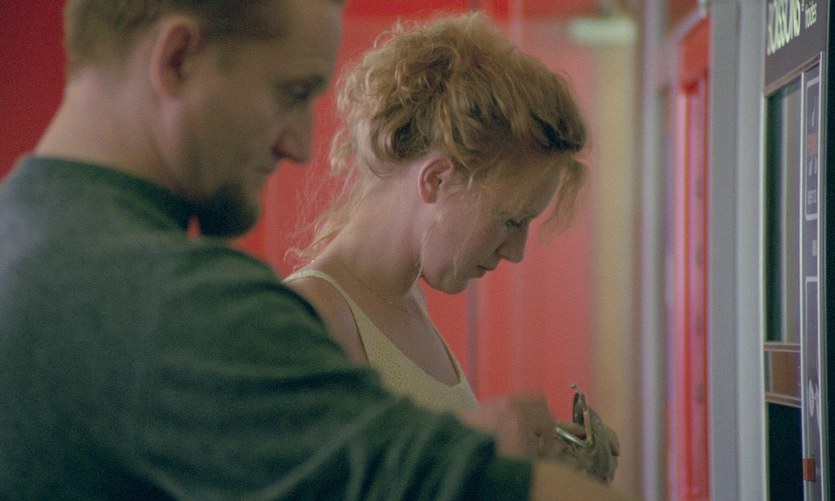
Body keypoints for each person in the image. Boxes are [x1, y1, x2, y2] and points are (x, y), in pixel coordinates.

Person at [0, 1, 633, 499]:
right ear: (178, 58)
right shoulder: (176, 305)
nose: (302, 145)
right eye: (293, 92)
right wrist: (491, 459)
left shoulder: (24, 237)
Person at [285, 12, 618, 483]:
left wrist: (530, 470)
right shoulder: (311, 317)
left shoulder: (406, 300)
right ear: (437, 179)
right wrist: (476, 450)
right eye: (510, 220)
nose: (516, 252)